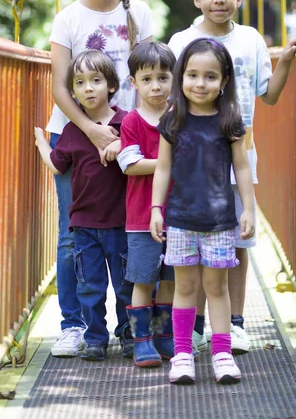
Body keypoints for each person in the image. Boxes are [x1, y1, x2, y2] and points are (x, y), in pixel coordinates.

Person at [167, 0, 296, 355]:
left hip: (239, 159)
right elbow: (172, 101)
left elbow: (270, 95)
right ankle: (193, 328)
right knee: (192, 248)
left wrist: (288, 59)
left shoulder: (250, 40)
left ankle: (236, 325)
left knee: (236, 245)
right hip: (192, 164)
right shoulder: (180, 43)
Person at [45, 0, 153, 357]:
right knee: (74, 233)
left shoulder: (139, 13)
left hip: (127, 135)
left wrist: (125, 135)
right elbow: (58, 88)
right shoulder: (67, 18)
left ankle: (136, 326)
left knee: (132, 231)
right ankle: (74, 326)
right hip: (74, 133)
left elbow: (149, 76)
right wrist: (91, 131)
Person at [150, 39, 255, 385]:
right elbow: (163, 168)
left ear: (224, 80)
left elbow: (241, 167)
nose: (200, 83)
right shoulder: (173, 119)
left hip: (219, 221)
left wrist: (248, 210)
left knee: (216, 287)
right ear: (181, 77)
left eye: (210, 76)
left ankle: (222, 353)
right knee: (185, 287)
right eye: (192, 75)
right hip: (180, 220)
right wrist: (156, 209)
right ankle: (182, 354)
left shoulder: (230, 120)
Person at [35, 50, 134, 361]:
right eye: (80, 83)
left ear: (112, 86)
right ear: (72, 92)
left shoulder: (125, 123)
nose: (89, 88)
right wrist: (41, 142)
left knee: (125, 285)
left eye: (96, 80)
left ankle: (129, 334)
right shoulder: (71, 131)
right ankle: (95, 339)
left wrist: (121, 144)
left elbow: (142, 150)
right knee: (89, 287)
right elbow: (57, 165)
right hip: (85, 225)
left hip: (120, 222)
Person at [117, 41, 176, 368]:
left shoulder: (179, 116)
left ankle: (164, 336)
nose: (156, 85)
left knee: (170, 280)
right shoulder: (132, 122)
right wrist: (168, 162)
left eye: (163, 78)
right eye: (148, 78)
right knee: (143, 279)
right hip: (142, 218)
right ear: (133, 82)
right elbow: (130, 165)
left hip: (178, 216)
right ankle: (142, 341)